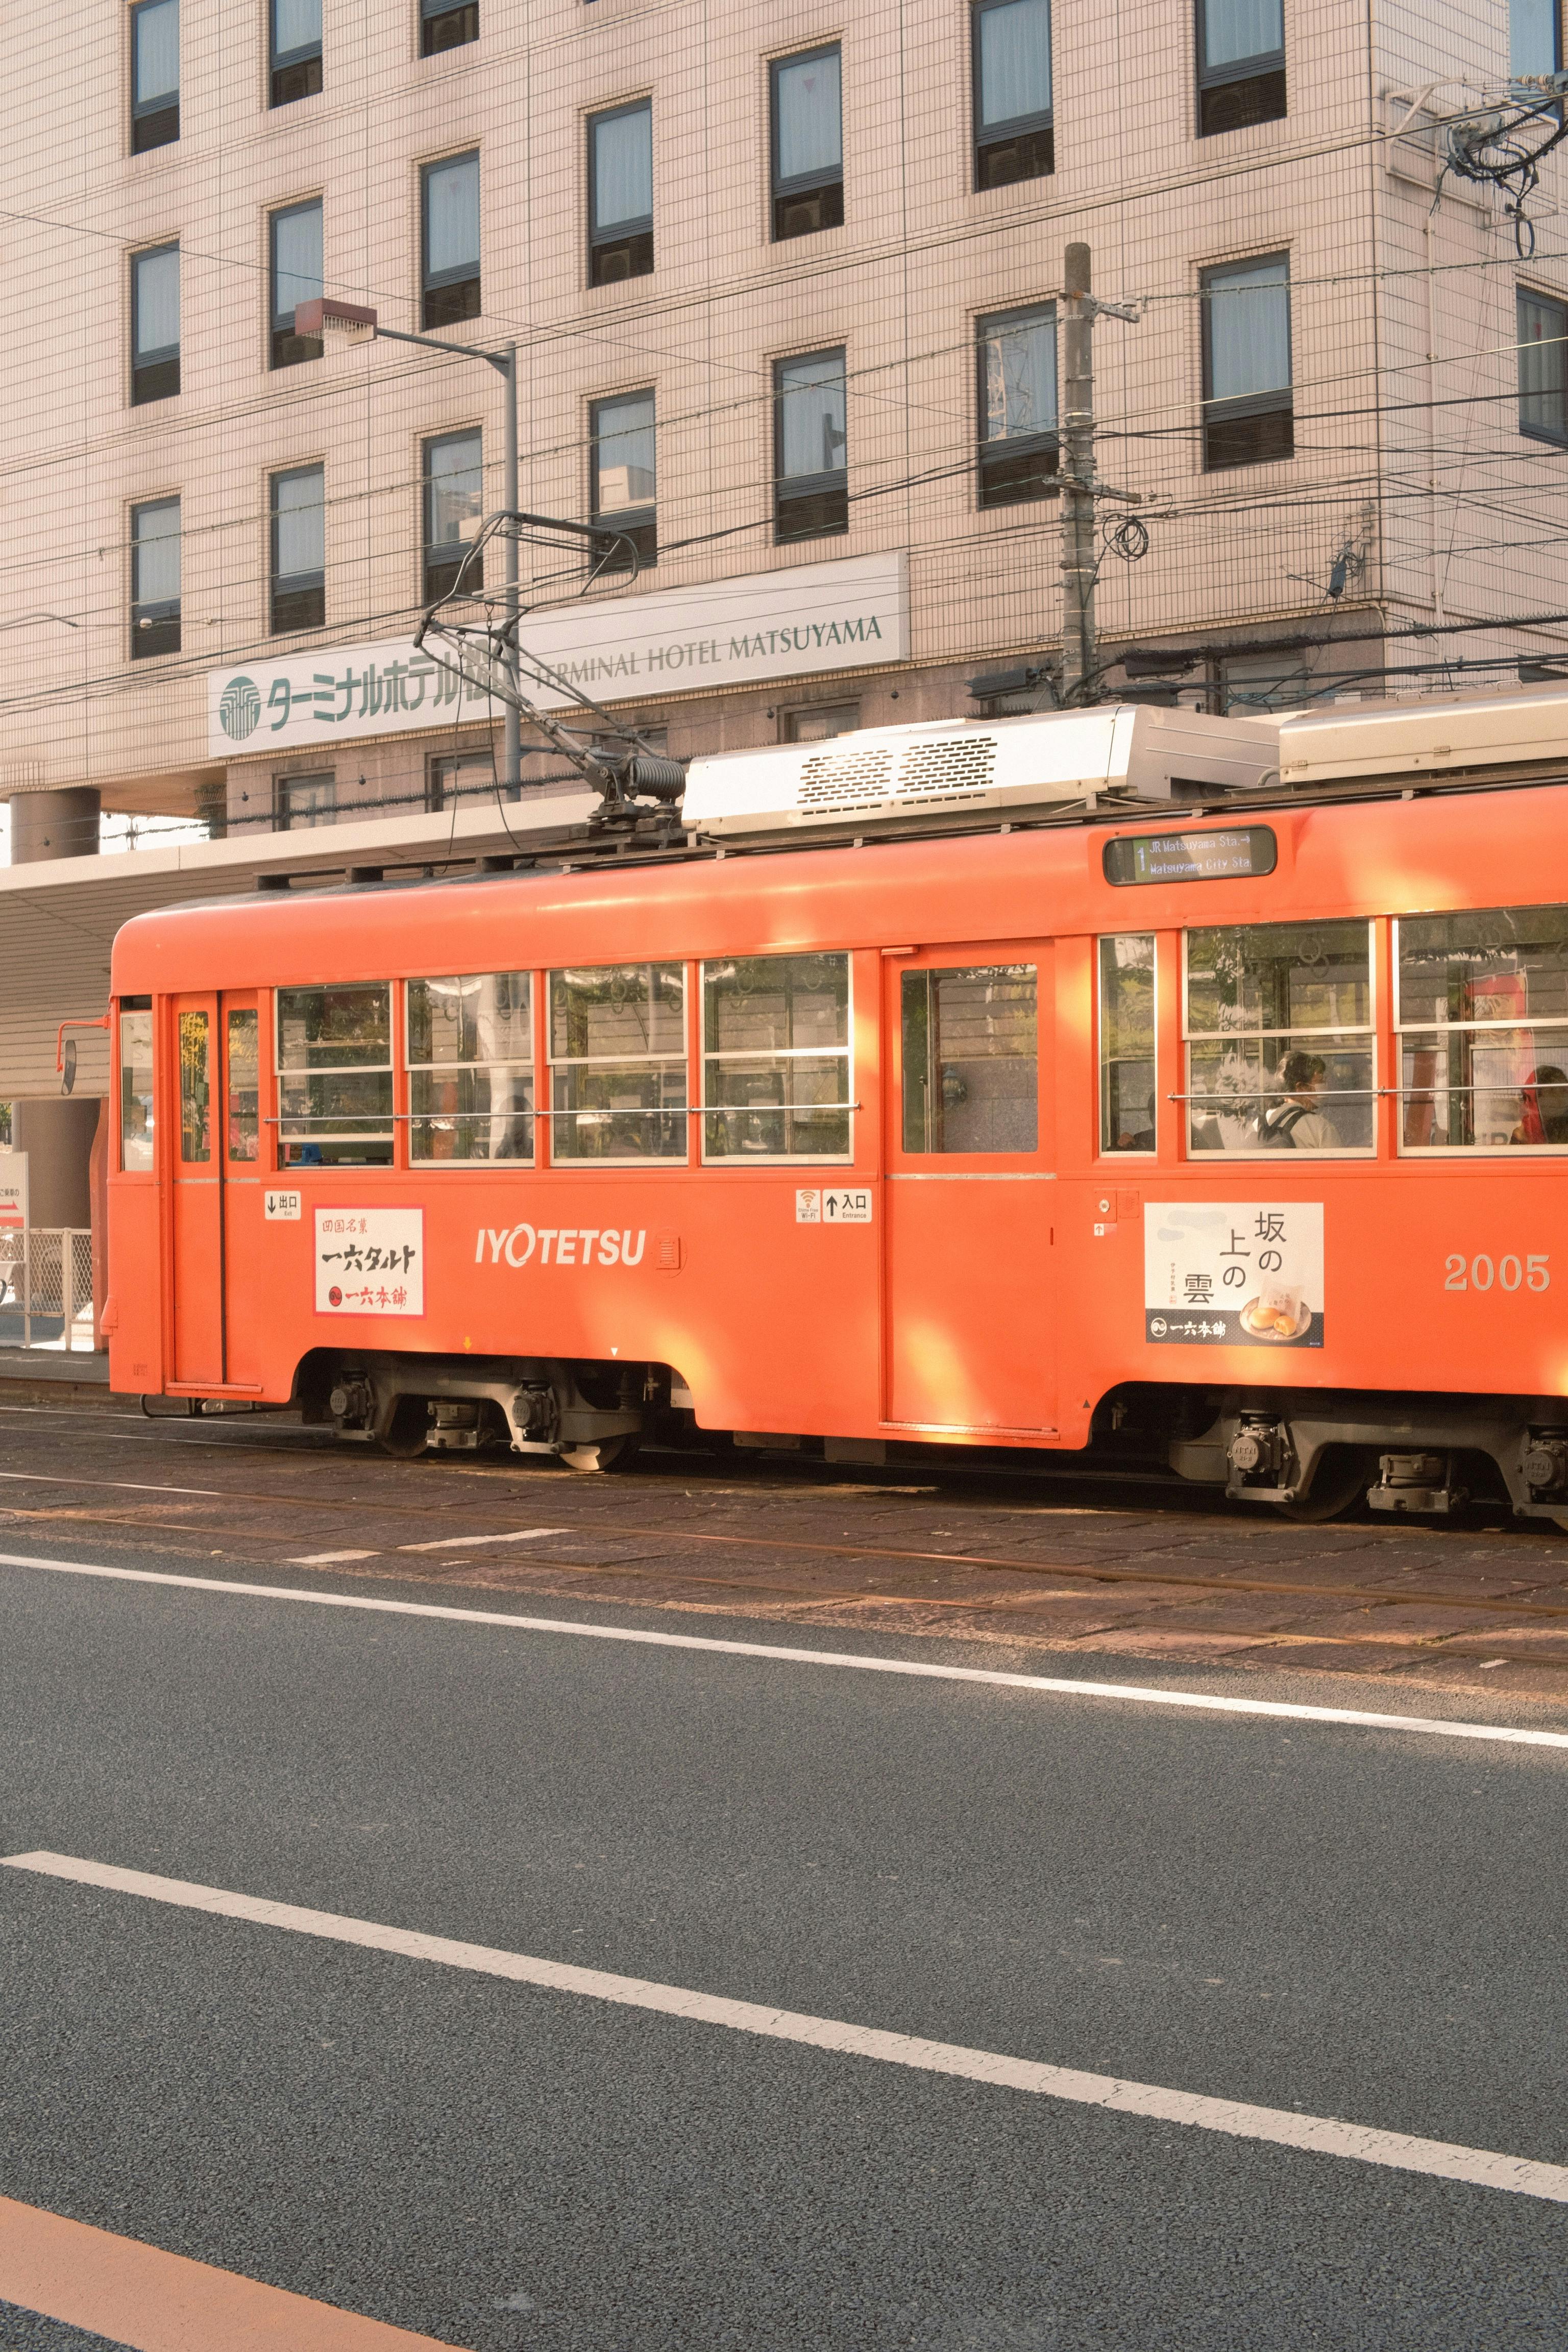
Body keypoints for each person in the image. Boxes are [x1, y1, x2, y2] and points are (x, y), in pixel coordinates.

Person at [1257, 1051, 1340, 1149]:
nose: (1326, 1085)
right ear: (1301, 1088)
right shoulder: (1321, 1128)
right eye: (1320, 1081)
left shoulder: (1258, 1124)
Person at [1512, 1066, 1568, 1145]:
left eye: (1564, 1091)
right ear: (1536, 1098)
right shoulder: (1522, 1134)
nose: (1560, 1097)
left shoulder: (1562, 1125)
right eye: (1552, 1091)